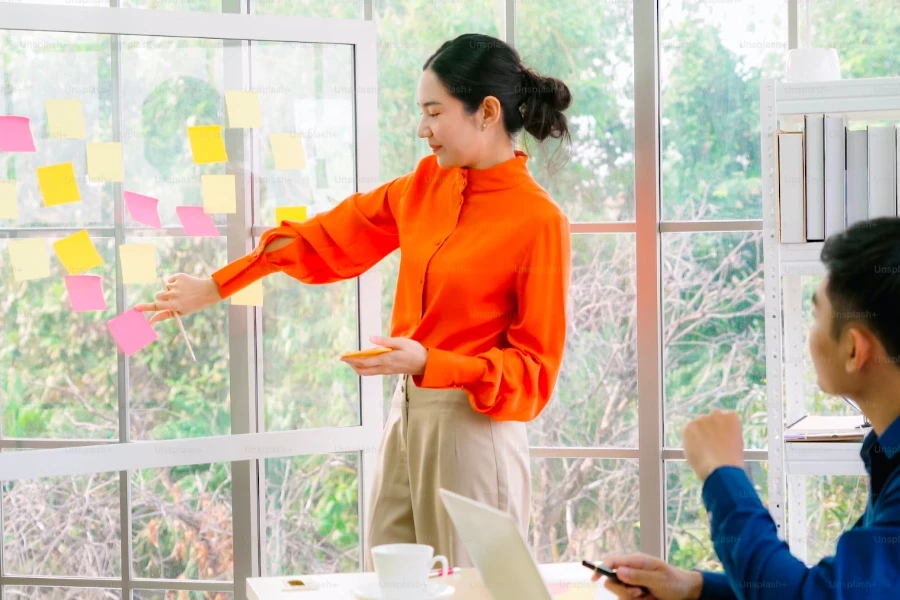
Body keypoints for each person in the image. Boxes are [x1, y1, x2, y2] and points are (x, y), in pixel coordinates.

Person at [135, 33, 573, 570]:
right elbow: (329, 236)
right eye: (421, 112)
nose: (423, 129)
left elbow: (535, 372)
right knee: (388, 578)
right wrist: (219, 285)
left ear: (486, 111)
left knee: (469, 588)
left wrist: (431, 362)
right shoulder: (422, 188)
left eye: (434, 112)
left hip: (476, 431)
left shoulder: (538, 220)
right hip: (406, 414)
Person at [591, 217, 900, 599]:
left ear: (854, 349)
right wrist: (694, 589)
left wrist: (723, 474)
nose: (810, 334)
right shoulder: (888, 455)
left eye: (815, 315)